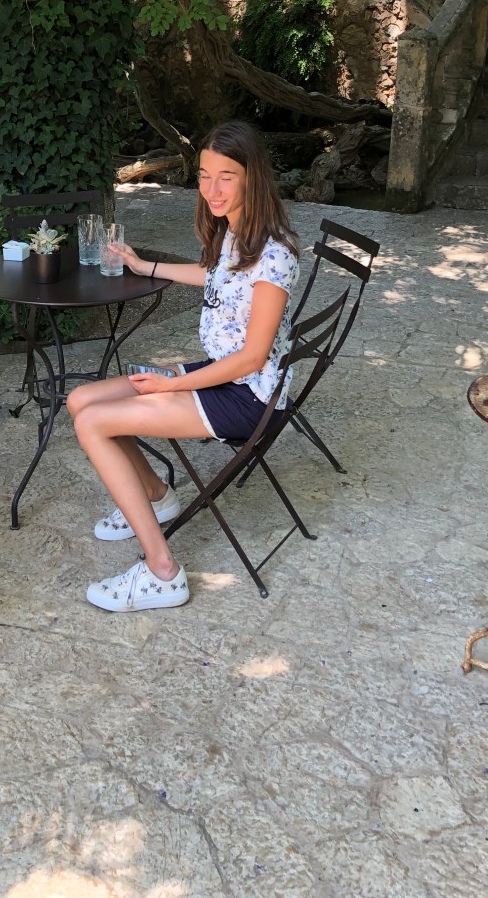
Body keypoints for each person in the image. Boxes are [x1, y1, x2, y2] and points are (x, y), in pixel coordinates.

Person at [67, 120, 299, 613]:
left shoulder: (273, 255)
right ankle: (157, 497)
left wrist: (174, 383)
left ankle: (162, 572)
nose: (212, 190)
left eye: (226, 177)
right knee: (80, 399)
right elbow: (212, 275)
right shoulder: (236, 231)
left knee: (93, 423)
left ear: (252, 177)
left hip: (249, 396)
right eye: (204, 176)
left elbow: (253, 357)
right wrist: (144, 266)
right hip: (223, 375)